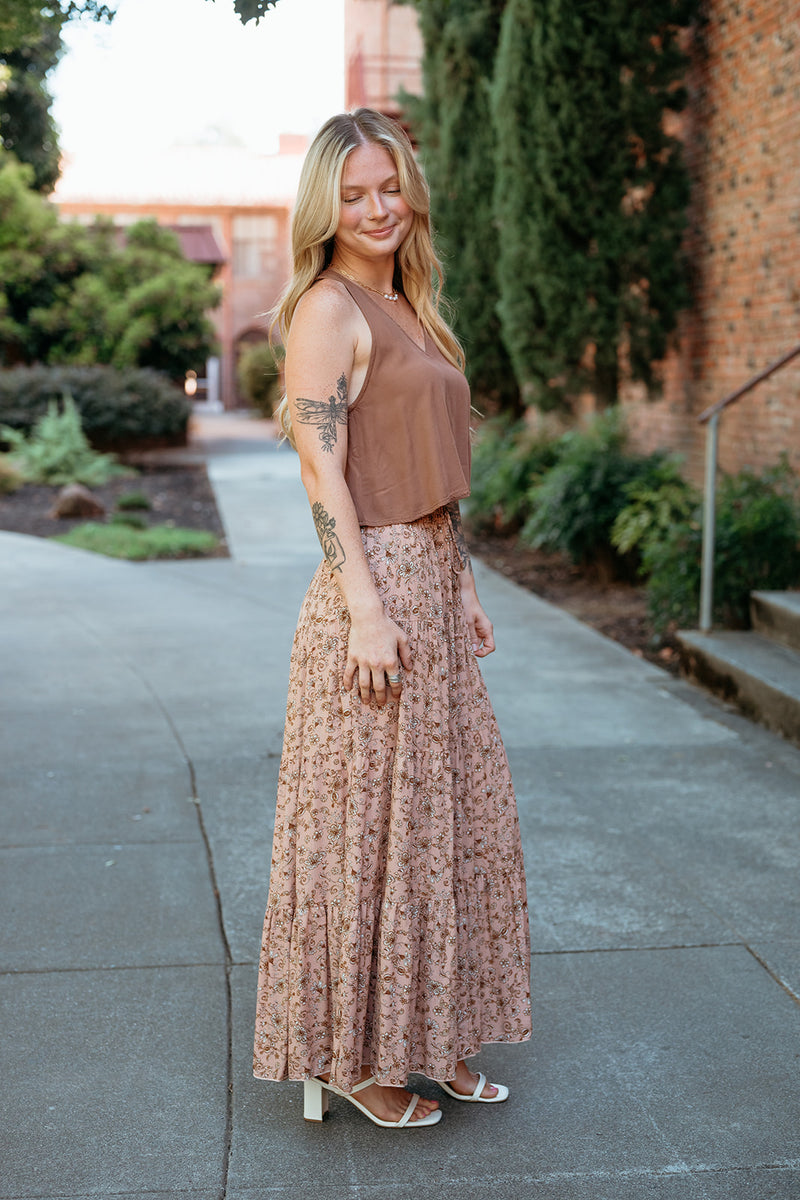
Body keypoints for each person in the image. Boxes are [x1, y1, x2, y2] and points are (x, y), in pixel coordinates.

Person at [253, 108, 531, 1130]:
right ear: (325, 208)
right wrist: (367, 608)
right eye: (353, 193)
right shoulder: (327, 309)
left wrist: (458, 580)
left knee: (443, 826)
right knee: (369, 834)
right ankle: (355, 1061)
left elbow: (427, 468)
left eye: (388, 187)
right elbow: (320, 468)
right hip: (369, 596)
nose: (376, 208)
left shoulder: (411, 304)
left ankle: (432, 1034)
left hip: (427, 577)